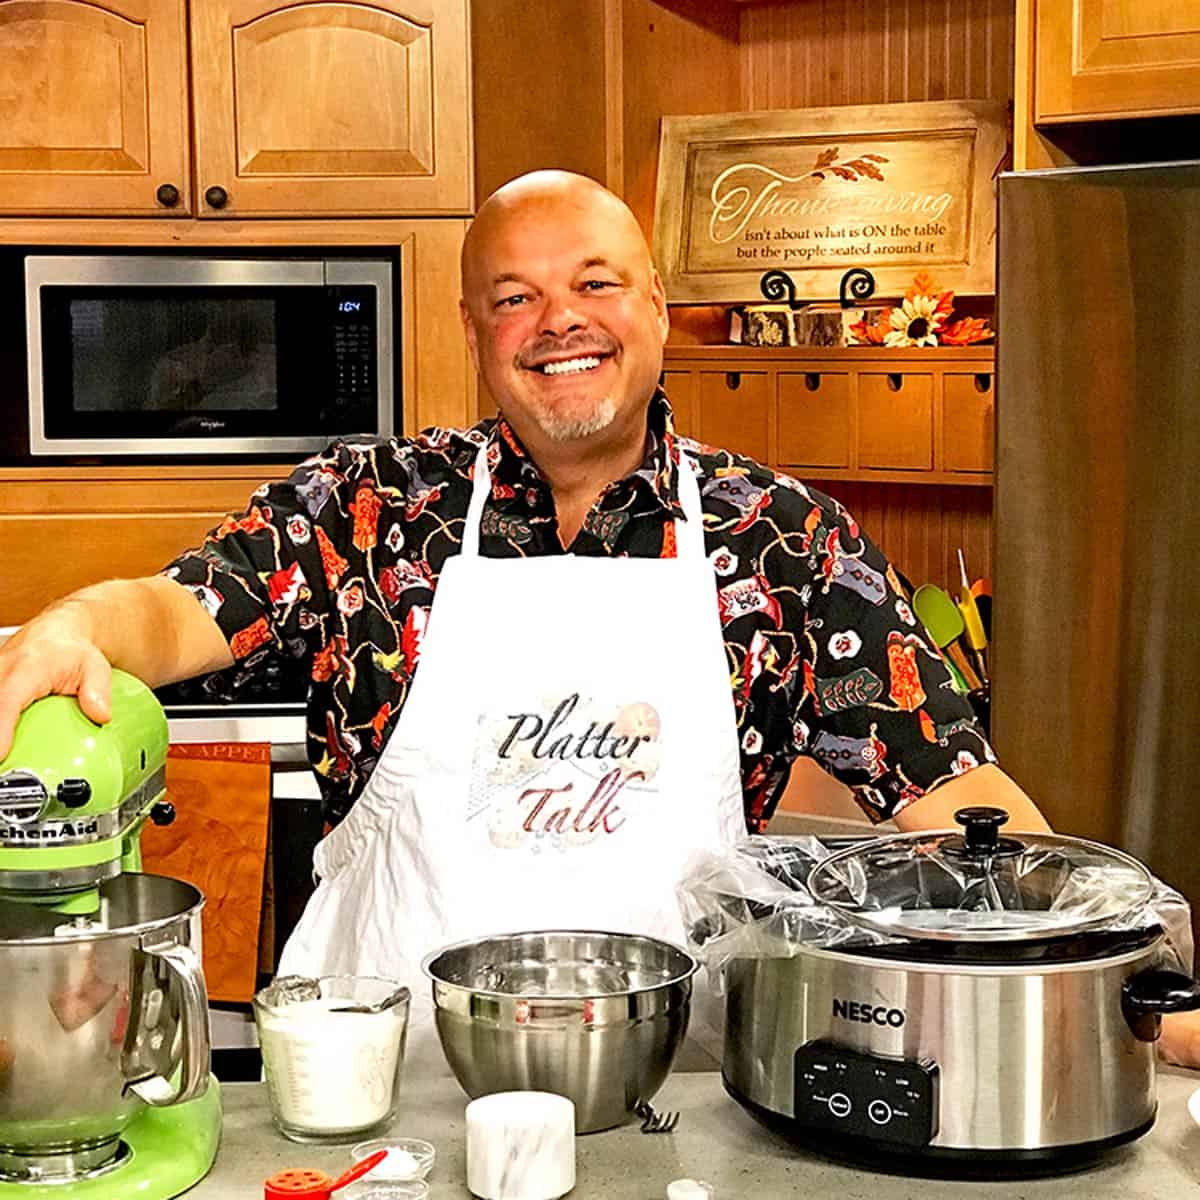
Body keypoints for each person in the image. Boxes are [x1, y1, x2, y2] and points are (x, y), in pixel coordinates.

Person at [0, 170, 1194, 1065]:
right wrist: (73, 626)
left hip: (679, 1097)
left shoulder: (780, 539)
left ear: (658, 308)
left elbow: (958, 805)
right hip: (387, 1090)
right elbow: (177, 608)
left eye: (594, 284)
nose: (557, 320)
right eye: (514, 297)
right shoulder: (367, 506)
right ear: (474, 332)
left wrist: (1125, 981)